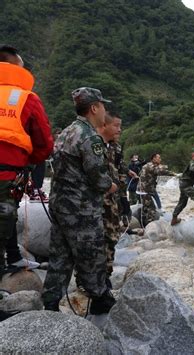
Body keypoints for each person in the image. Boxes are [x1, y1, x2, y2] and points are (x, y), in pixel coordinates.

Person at [42, 87, 117, 314]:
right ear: (94, 108)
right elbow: (97, 175)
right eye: (102, 105)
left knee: (60, 254)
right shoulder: (89, 136)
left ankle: (51, 301)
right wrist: (111, 185)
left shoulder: (66, 132)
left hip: (60, 203)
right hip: (81, 207)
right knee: (91, 252)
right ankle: (100, 297)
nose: (105, 110)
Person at [0, 44, 53, 276]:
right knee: (3, 217)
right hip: (7, 173)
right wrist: (30, 161)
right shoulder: (26, 98)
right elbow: (44, 143)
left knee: (7, 217)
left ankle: (13, 256)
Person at [96, 111, 126, 278]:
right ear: (104, 125)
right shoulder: (95, 145)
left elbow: (119, 169)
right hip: (99, 201)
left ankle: (106, 275)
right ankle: (92, 279)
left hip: (113, 200)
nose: (119, 130)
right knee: (99, 239)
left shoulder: (115, 147)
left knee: (112, 236)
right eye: (116, 125)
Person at [138, 153, 175, 227]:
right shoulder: (150, 166)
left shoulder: (149, 165)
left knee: (146, 208)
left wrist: (173, 174)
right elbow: (160, 171)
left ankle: (143, 225)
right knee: (151, 209)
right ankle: (149, 226)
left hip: (147, 190)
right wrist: (172, 172)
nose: (160, 159)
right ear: (154, 159)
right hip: (145, 191)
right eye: (159, 158)